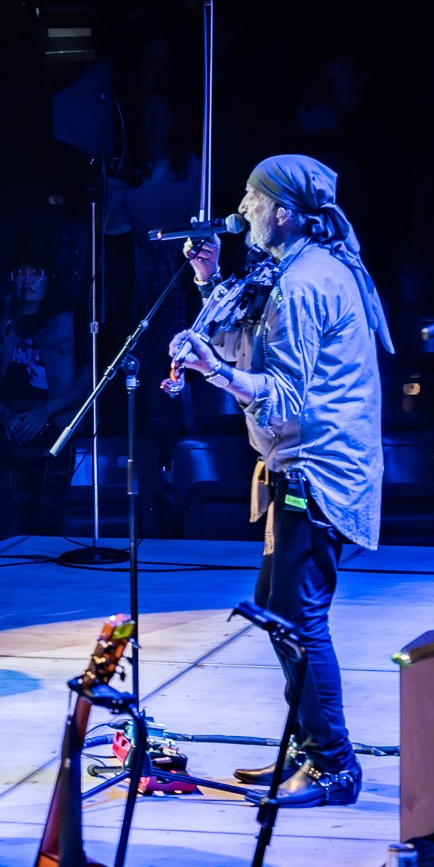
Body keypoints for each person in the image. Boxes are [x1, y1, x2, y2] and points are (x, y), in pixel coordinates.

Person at [166, 154, 387, 807]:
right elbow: (251, 343)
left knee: (296, 615)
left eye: (251, 197)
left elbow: (284, 395)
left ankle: (333, 765)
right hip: (306, 462)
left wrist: (213, 370)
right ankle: (308, 749)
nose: (242, 207)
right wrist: (208, 280)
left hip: (319, 468)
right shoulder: (298, 270)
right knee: (280, 609)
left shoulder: (304, 283)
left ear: (283, 211)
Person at [0, 254, 76, 535]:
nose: (26, 280)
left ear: (47, 279)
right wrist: (3, 414)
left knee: (49, 519)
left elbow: (88, 380)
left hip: (53, 426)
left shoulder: (66, 323)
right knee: (6, 519)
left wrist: (46, 412)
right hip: (6, 427)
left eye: (34, 273)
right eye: (20, 273)